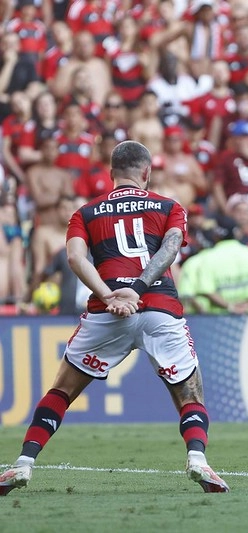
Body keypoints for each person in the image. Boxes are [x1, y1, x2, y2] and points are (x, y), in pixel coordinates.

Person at [0, 141, 229, 495]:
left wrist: (109, 295)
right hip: (160, 309)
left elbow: (76, 259)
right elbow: (170, 249)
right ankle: (198, 460)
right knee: (191, 396)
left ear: (111, 175)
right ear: (147, 173)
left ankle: (23, 464)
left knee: (60, 392)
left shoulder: (86, 212)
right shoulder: (170, 206)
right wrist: (137, 288)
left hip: (107, 313)